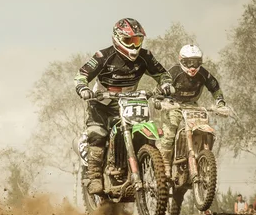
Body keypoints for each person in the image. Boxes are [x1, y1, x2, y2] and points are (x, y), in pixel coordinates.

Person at [74, 18, 174, 195]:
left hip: (129, 102)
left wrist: (166, 84)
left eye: (138, 41)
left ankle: (143, 167)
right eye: (129, 41)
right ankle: (95, 176)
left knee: (142, 134)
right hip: (102, 104)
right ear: (117, 38)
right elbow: (82, 74)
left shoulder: (145, 57)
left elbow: (163, 74)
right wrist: (83, 88)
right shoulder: (103, 56)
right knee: (98, 135)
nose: (134, 46)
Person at [157, 44, 227, 175]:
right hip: (174, 105)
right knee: (170, 132)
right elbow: (161, 85)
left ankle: (202, 156)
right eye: (189, 63)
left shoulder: (203, 73)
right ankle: (165, 165)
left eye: (196, 62)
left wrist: (220, 102)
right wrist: (161, 97)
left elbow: (215, 87)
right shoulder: (174, 72)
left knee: (203, 127)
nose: (192, 67)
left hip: (192, 105)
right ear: (182, 60)